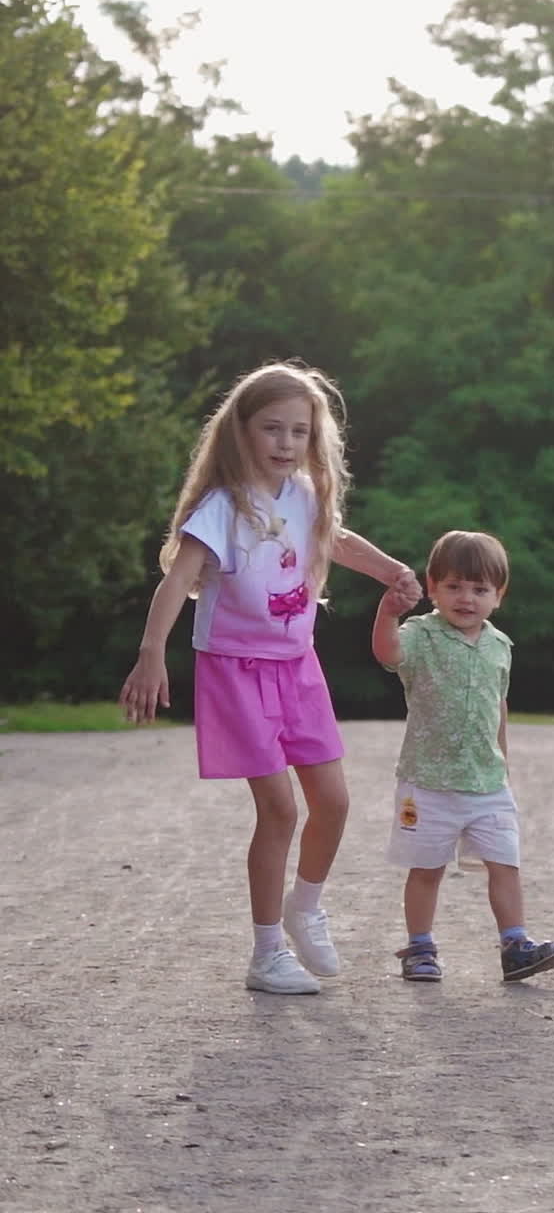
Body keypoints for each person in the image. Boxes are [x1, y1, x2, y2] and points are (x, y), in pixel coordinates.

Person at [119, 360, 422, 995]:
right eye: (271, 429)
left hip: (297, 669)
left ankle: (304, 907)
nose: (286, 444)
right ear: (241, 433)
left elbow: (336, 541)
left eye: (299, 432)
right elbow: (178, 579)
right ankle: (265, 953)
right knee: (280, 810)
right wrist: (151, 652)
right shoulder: (221, 507)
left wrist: (392, 570)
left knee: (334, 803)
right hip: (234, 670)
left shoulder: (304, 495)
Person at [373, 529, 554, 984]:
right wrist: (386, 613)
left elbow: (497, 705)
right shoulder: (421, 634)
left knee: (506, 863)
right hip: (428, 782)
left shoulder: (500, 646)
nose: (467, 598)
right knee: (427, 870)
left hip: (488, 783)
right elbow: (387, 653)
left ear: (498, 596)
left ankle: (515, 944)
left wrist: (503, 761)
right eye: (454, 586)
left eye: (480, 589)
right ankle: (420, 947)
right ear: (433, 586)